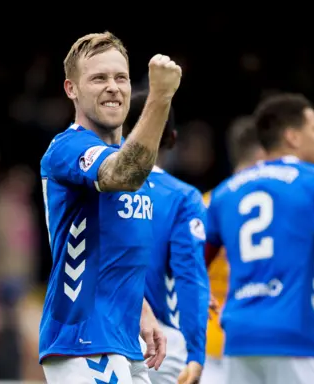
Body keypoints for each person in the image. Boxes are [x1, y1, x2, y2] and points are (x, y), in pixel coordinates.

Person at [204, 93, 314, 384]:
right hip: (294, 338)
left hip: (237, 338)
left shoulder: (225, 192)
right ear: (292, 136)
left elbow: (191, 264)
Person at [39, 32, 181, 383]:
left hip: (123, 339)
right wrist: (161, 96)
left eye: (121, 78)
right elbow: (124, 173)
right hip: (83, 339)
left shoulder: (137, 163)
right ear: (71, 89)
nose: (113, 87)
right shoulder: (68, 148)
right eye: (98, 78)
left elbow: (113, 254)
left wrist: (142, 310)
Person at [123, 91, 210, 384]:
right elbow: (190, 278)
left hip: (95, 335)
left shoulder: (89, 184)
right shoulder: (182, 197)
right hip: (157, 345)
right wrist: (196, 354)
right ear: (172, 137)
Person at [199, 115, 266, 384]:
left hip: (207, 343)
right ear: (263, 151)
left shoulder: (204, 204)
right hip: (260, 340)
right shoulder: (280, 206)